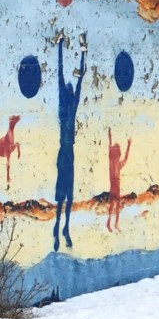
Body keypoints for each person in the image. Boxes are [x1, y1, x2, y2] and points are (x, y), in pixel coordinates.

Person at [53, 32, 86, 251]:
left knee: (67, 195)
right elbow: (64, 74)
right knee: (63, 195)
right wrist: (61, 47)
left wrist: (83, 53)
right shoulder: (66, 108)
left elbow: (78, 78)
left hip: (67, 152)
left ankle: (62, 228)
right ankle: (59, 227)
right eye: (70, 88)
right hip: (66, 153)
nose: (72, 88)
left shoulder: (67, 109)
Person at [106, 127, 131, 232]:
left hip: (116, 186)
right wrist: (110, 137)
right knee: (113, 206)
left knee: (115, 207)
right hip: (114, 186)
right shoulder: (114, 163)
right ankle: (111, 223)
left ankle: (113, 223)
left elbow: (125, 158)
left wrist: (129, 146)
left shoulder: (115, 163)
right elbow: (110, 148)